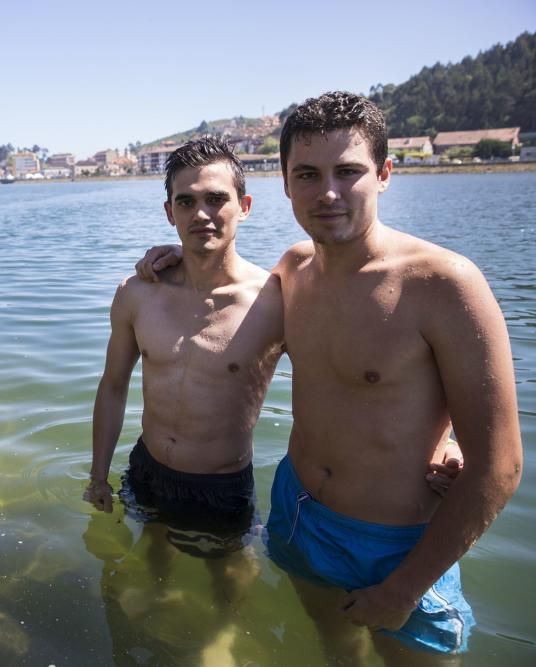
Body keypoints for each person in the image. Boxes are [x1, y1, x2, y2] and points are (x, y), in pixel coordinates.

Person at [135, 91, 522, 661]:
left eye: (348, 172)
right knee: (334, 652)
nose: (329, 193)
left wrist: (404, 589)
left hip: (395, 546)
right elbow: (220, 297)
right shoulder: (293, 271)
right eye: (308, 175)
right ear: (286, 185)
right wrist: (172, 253)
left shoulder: (444, 285)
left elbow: (501, 466)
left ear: (384, 174)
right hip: (298, 515)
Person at [86, 137, 282, 663]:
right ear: (169, 212)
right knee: (150, 548)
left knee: (229, 574)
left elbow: (340, 382)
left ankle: (225, 635)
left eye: (216, 199)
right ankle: (154, 605)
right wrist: (98, 474)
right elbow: (113, 384)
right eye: (186, 201)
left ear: (244, 205)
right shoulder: (138, 292)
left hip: (222, 485)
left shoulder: (275, 301)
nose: (202, 214)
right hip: (148, 467)